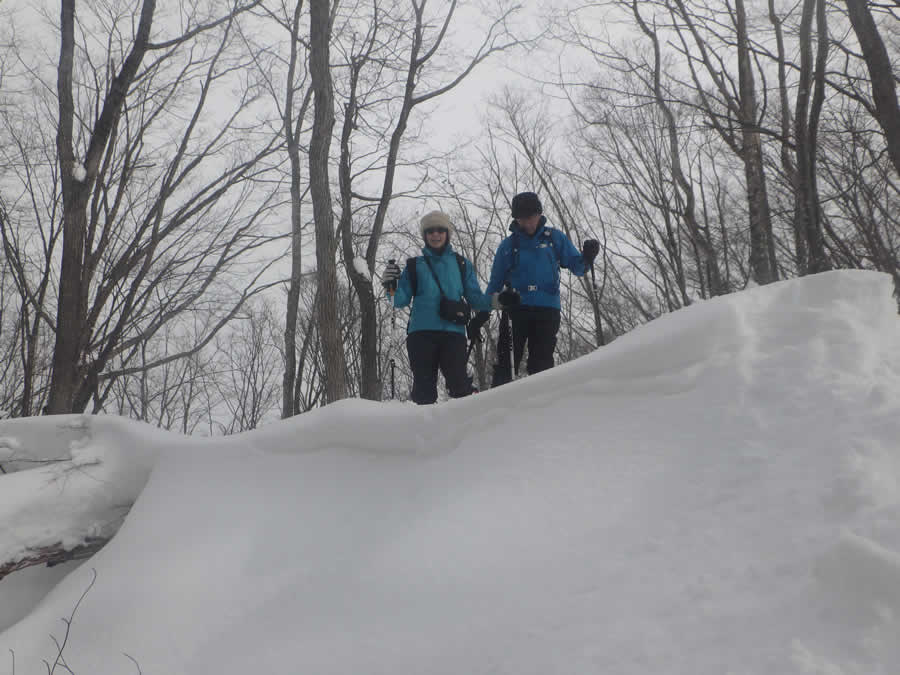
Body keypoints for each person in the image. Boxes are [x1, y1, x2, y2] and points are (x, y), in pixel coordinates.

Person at [381, 211, 519, 404]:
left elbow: (476, 299)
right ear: (425, 235)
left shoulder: (461, 264)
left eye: (440, 230)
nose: (435, 234)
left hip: (453, 334)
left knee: (459, 387)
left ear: (447, 233)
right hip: (421, 334)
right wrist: (390, 286)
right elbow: (399, 300)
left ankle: (464, 431)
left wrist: (500, 301)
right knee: (423, 391)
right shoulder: (414, 265)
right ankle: (425, 432)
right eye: (430, 231)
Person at [486, 191, 600, 376]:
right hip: (516, 308)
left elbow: (578, 268)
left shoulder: (554, 238)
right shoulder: (508, 245)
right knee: (506, 363)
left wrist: (587, 257)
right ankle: (501, 401)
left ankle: (541, 402)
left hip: (547, 308)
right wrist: (491, 304)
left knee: (541, 365)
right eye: (522, 219)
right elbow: (494, 285)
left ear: (539, 214)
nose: (528, 223)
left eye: (531, 217)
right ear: (516, 219)